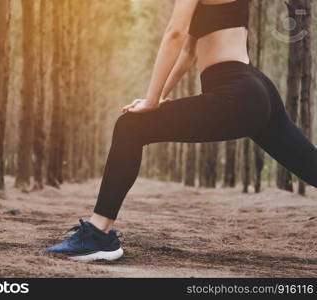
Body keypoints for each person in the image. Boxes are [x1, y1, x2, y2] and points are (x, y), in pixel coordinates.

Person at [41, 0, 317, 261]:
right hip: (257, 88)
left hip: (235, 92)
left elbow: (174, 33)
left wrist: (150, 101)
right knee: (307, 163)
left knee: (130, 126)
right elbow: (187, 52)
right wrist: (159, 97)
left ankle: (98, 234)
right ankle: (98, 234)